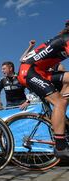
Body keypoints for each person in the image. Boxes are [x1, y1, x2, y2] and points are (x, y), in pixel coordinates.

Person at [17, 21, 69, 158]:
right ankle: (60, 146)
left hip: (42, 72)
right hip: (28, 72)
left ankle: (62, 118)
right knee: (60, 102)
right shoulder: (66, 40)